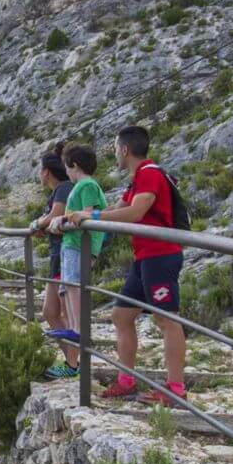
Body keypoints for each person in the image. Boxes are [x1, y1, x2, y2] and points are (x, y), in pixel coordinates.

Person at [66, 125, 185, 406]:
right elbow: (117, 210)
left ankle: (175, 390)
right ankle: (126, 381)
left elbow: (136, 212)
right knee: (121, 315)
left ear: (124, 149)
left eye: (116, 148)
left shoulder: (150, 174)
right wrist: (84, 215)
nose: (115, 154)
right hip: (144, 257)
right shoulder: (137, 179)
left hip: (160, 256)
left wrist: (92, 216)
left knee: (167, 320)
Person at [53, 144, 107, 372]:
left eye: (66, 167)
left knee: (74, 284)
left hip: (79, 244)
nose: (65, 171)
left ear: (74, 165)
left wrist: (65, 220)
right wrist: (63, 221)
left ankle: (78, 329)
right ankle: (74, 327)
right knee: (67, 286)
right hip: (71, 244)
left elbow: (87, 213)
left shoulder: (87, 185)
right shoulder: (81, 186)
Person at [31, 144, 79, 379]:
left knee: (65, 312)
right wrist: (44, 226)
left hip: (65, 255)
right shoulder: (58, 191)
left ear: (46, 172)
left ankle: (72, 364)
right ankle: (73, 361)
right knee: (50, 312)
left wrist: (36, 224)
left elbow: (55, 215)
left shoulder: (64, 188)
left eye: (40, 170)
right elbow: (52, 220)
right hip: (56, 256)